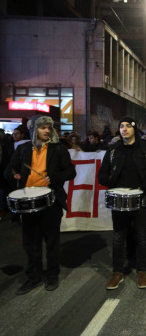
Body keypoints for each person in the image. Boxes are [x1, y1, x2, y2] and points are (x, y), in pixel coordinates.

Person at [4, 116, 76, 295]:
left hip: (50, 201)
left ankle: (52, 275)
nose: (47, 131)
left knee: (51, 241)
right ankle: (34, 276)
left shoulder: (58, 149)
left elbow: (70, 172)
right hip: (28, 202)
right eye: (43, 127)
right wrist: (14, 175)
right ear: (35, 129)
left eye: (49, 128)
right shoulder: (22, 149)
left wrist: (54, 178)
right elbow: (8, 170)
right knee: (30, 242)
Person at [98, 116, 146, 290]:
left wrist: (144, 184)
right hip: (118, 198)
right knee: (119, 237)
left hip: (141, 197)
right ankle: (117, 272)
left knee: (141, 236)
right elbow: (102, 176)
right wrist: (112, 180)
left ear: (135, 129)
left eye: (128, 126)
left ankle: (141, 271)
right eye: (121, 126)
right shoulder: (113, 150)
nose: (124, 129)